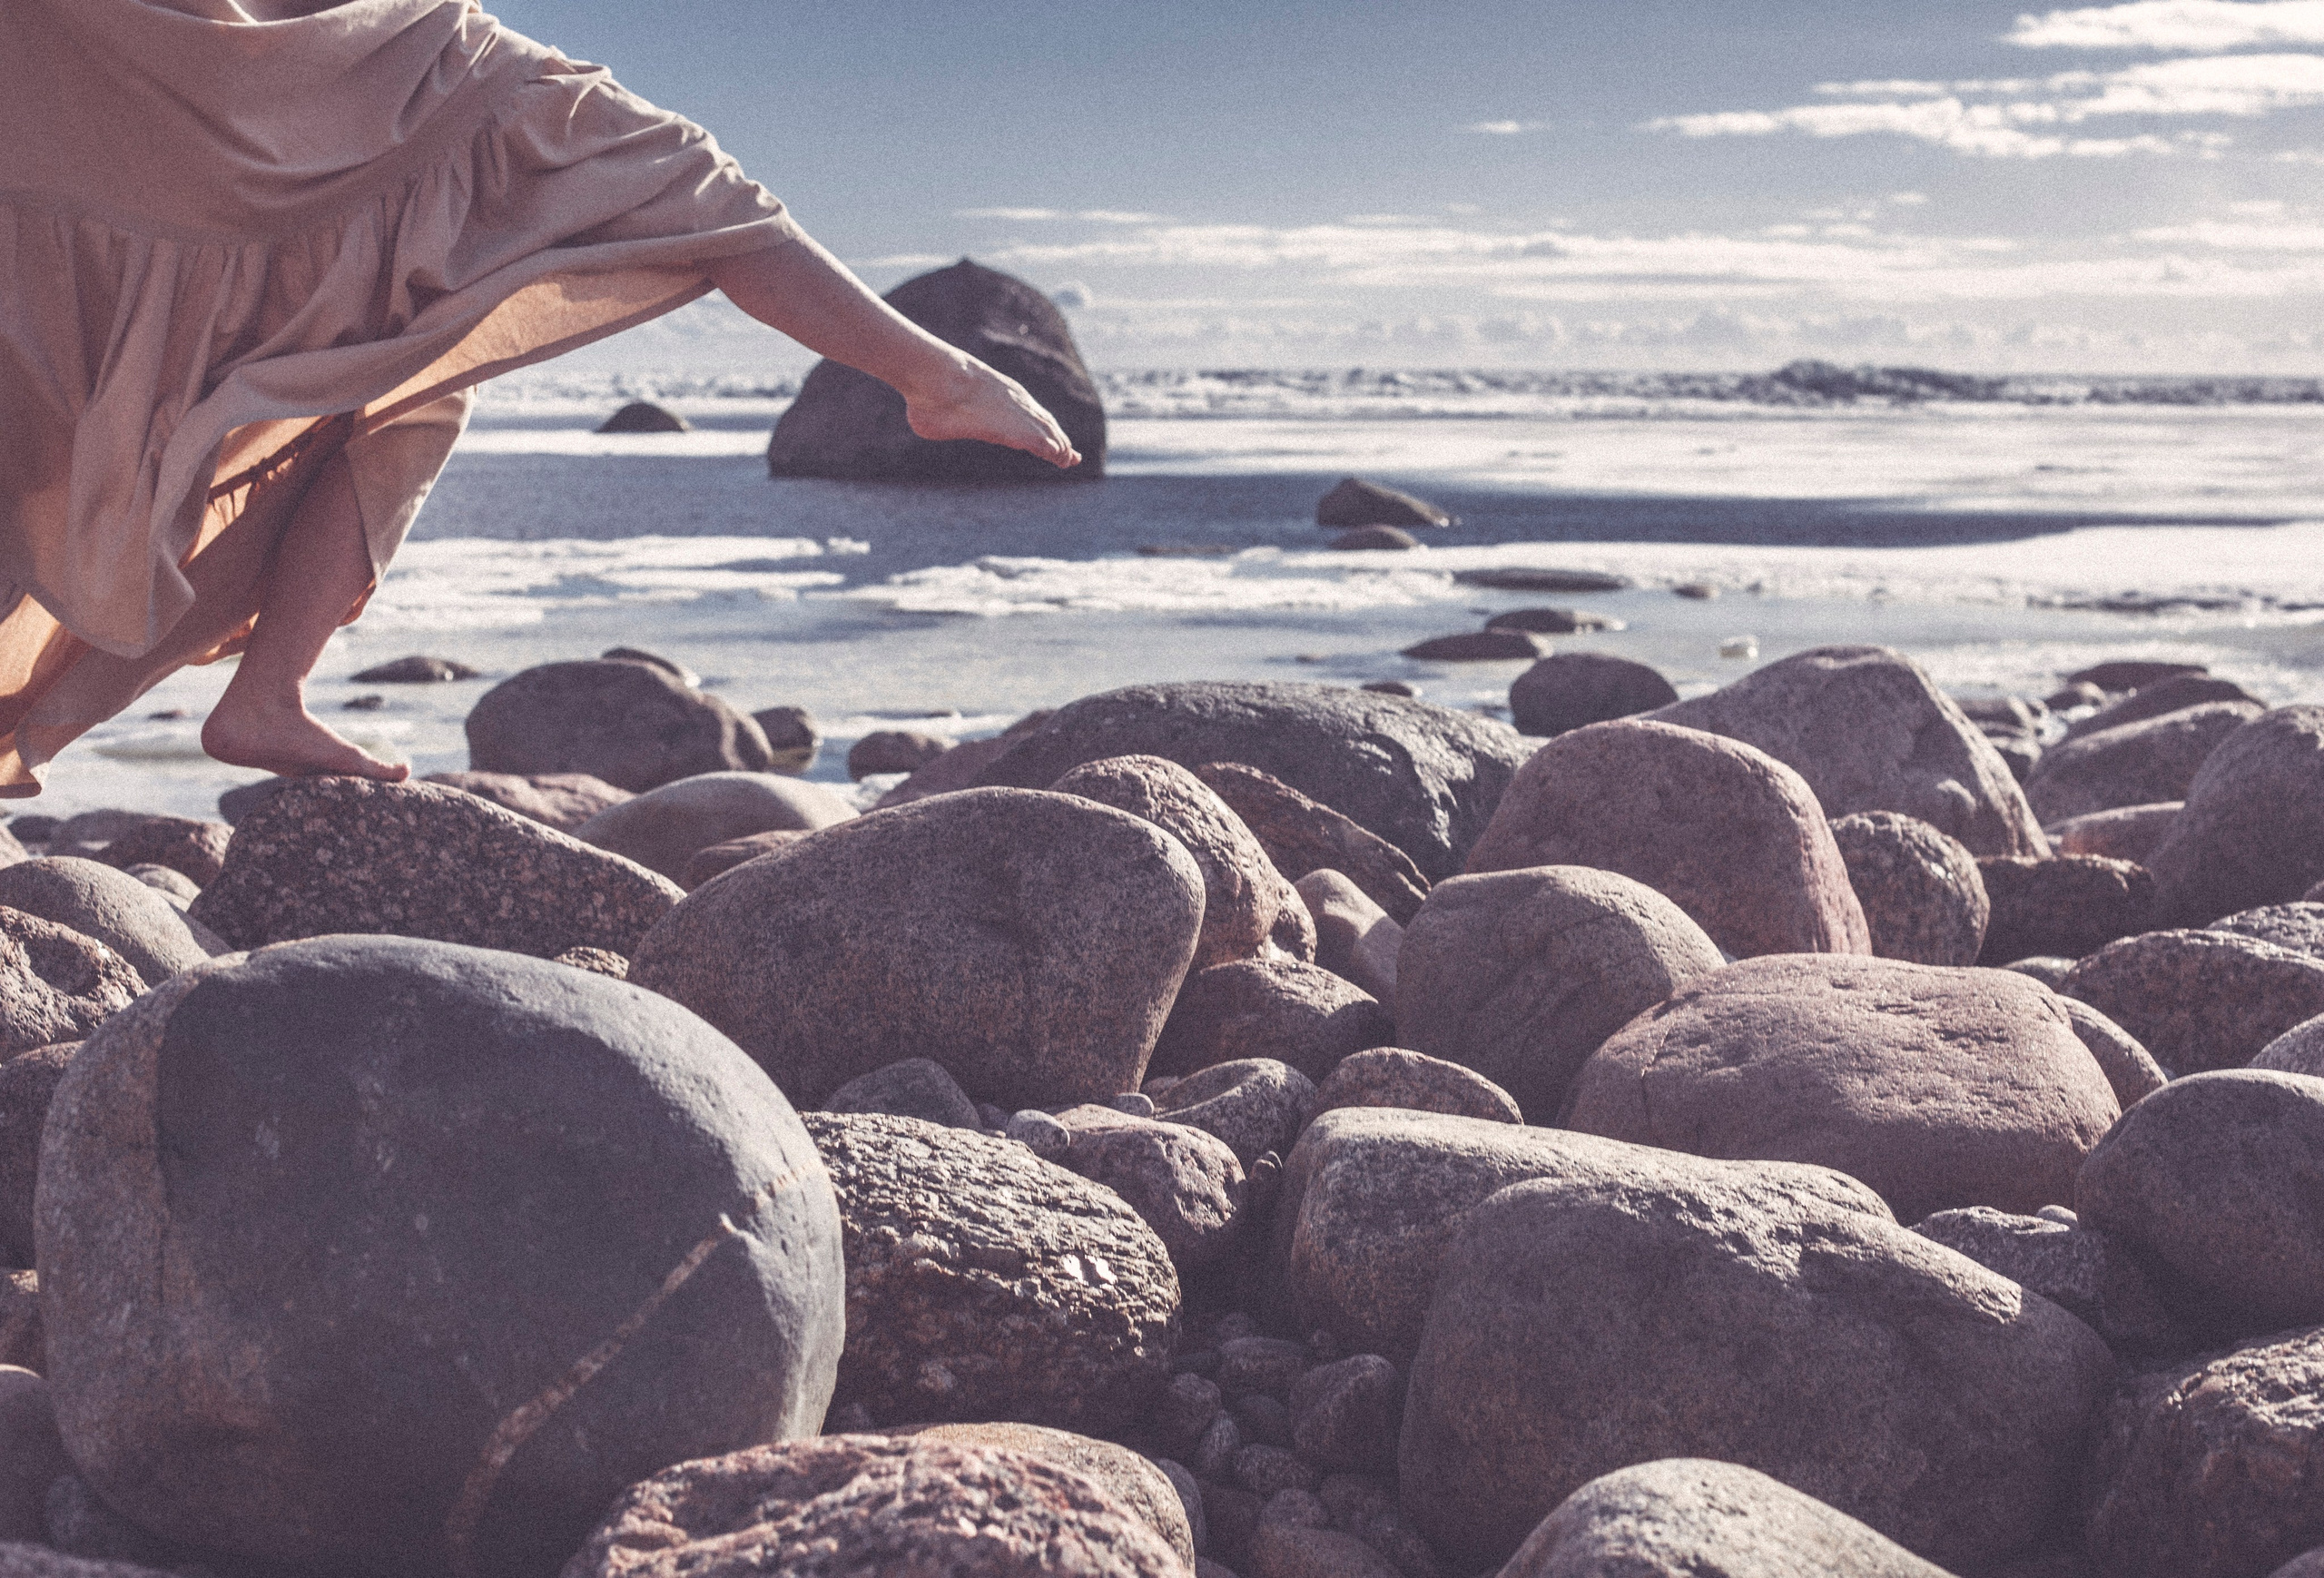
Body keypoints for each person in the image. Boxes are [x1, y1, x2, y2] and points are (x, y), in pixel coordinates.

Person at [0, 0, 1078, 793]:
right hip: (226, 53)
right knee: (649, 183)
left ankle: (260, 698)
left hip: (202, 58)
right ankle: (940, 380)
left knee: (411, 372)